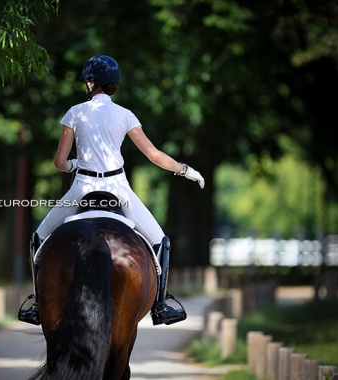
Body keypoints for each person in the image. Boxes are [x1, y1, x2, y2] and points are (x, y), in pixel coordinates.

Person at [18, 55, 205, 326]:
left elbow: (59, 163)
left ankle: (37, 305)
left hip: (82, 187)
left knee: (38, 238)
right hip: (119, 189)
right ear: (114, 85)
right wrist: (185, 169)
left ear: (91, 82)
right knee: (161, 241)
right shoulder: (126, 115)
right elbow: (153, 155)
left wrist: (73, 165)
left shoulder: (75, 112)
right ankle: (161, 305)